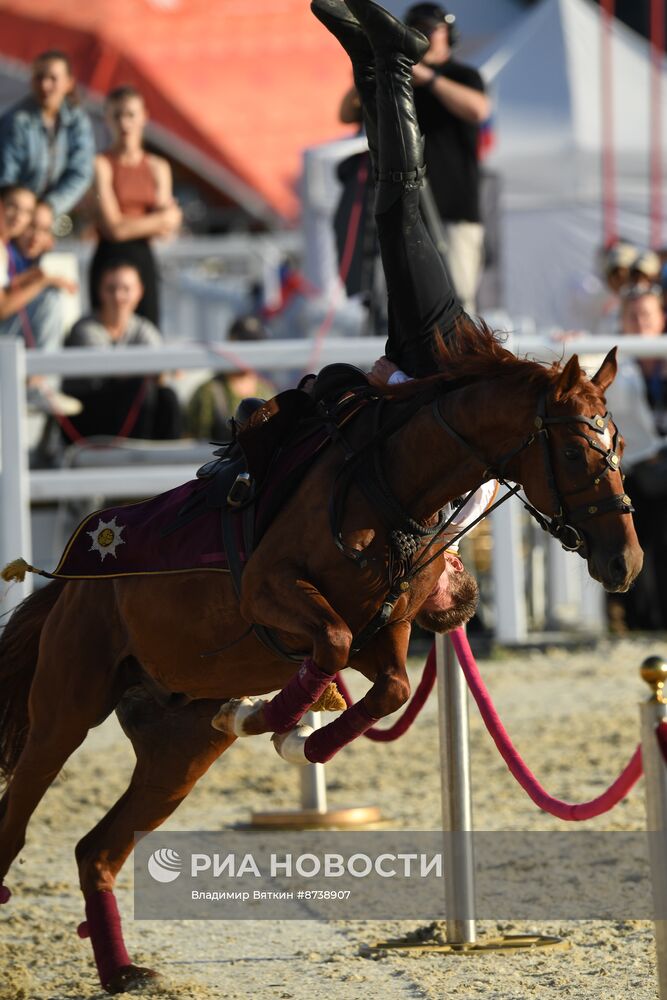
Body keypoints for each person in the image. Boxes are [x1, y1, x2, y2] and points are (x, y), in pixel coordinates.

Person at [312, 0, 496, 628]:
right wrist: (393, 383)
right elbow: (450, 421)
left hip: (417, 345)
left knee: (396, 206)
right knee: (400, 203)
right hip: (443, 347)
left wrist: (385, 383)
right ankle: (389, 61)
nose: (425, 568)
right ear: (458, 569)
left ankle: (373, 61)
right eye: (437, 578)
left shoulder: (413, 522)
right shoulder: (468, 509)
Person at [339, 2, 489, 314]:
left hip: (454, 211)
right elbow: (345, 113)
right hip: (407, 207)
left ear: (449, 35)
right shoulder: (398, 80)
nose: (425, 36)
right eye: (417, 30)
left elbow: (478, 109)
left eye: (431, 30)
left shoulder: (464, 75)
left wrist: (428, 79)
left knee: (458, 298)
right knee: (403, 301)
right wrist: (373, 64)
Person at [90, 86, 182, 327]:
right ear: (107, 119)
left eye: (130, 115)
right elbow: (114, 229)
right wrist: (158, 221)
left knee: (148, 332)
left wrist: (126, 223)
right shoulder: (101, 163)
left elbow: (167, 229)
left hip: (143, 259)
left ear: (143, 117)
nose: (124, 123)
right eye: (117, 115)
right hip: (109, 256)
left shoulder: (157, 166)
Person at [62, 260, 182, 440]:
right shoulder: (84, 329)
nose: (118, 296)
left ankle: (168, 455)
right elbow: (112, 373)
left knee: (167, 396)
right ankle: (135, 455)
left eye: (126, 289)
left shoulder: (143, 328)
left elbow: (161, 373)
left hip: (127, 412)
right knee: (139, 387)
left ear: (139, 291)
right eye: (111, 289)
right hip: (89, 417)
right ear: (100, 292)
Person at [605, 286, 667, 629]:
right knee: (635, 541)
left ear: (662, 319)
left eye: (647, 314)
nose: (640, 322)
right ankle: (639, 622)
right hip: (633, 470)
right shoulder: (610, 357)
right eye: (632, 315)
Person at [0, 51, 94, 220]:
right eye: (39, 77)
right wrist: (26, 211)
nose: (45, 85)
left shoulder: (77, 122)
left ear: (69, 83)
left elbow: (81, 172)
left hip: (54, 217)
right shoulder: (16, 121)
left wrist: (50, 207)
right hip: (15, 217)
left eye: (53, 78)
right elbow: (7, 178)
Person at [186, 315, 275, 441]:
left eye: (255, 345)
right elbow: (193, 440)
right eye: (245, 344)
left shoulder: (266, 391)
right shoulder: (209, 392)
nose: (250, 351)